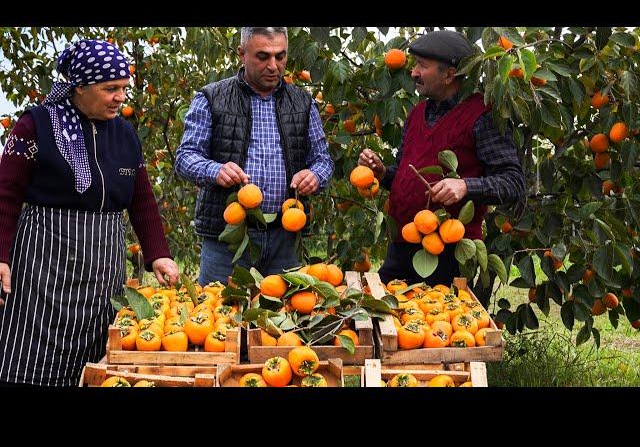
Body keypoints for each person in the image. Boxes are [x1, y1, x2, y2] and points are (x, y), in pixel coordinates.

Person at [0, 39, 180, 387]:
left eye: (124, 88)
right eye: (110, 88)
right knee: (32, 358)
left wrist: (158, 254)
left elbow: (141, 200)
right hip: (43, 266)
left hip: (102, 267)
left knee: (97, 360)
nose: (120, 97)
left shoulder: (126, 136)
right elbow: (5, 195)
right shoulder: (35, 126)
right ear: (79, 86)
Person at [359, 30, 525, 306]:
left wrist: (465, 186)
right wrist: (383, 173)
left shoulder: (481, 116)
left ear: (449, 75)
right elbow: (406, 174)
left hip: (447, 252)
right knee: (383, 323)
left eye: (422, 66)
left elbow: (513, 182)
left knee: (438, 333)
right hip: (402, 246)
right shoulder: (416, 115)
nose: (413, 73)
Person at [175, 27, 333, 285]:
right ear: (241, 53)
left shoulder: (303, 102)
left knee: (283, 318)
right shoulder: (211, 98)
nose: (273, 65)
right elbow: (185, 157)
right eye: (263, 56)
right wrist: (215, 170)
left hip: (284, 236)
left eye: (280, 56)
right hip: (227, 237)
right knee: (221, 316)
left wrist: (315, 176)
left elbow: (323, 160)